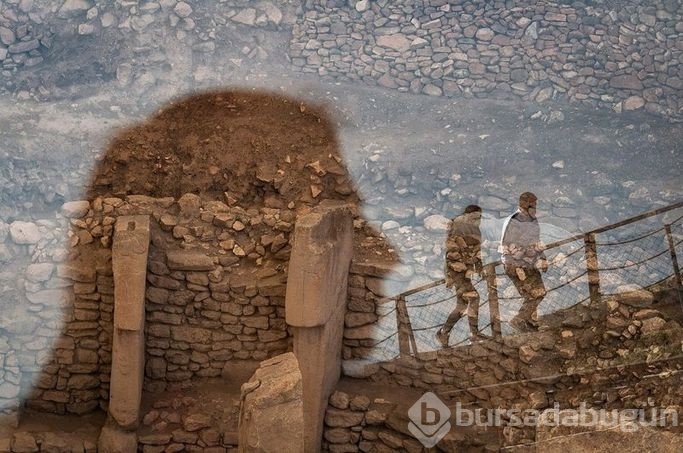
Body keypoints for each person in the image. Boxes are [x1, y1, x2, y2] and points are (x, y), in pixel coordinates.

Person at [500, 192, 548, 331]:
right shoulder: (513, 221)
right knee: (532, 294)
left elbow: (536, 241)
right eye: (533, 204)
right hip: (516, 264)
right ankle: (519, 320)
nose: (536, 207)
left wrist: (542, 257)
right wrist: (516, 267)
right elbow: (505, 246)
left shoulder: (533, 220)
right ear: (526, 204)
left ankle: (528, 321)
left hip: (529, 263)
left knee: (540, 292)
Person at [436, 205, 483, 347]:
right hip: (456, 272)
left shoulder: (475, 230)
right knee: (474, 297)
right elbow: (451, 254)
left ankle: (444, 332)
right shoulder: (457, 227)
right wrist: (464, 269)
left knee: (462, 305)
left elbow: (476, 251)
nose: (478, 220)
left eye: (480, 217)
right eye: (474, 217)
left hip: (465, 272)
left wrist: (478, 268)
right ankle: (474, 334)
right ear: (466, 215)